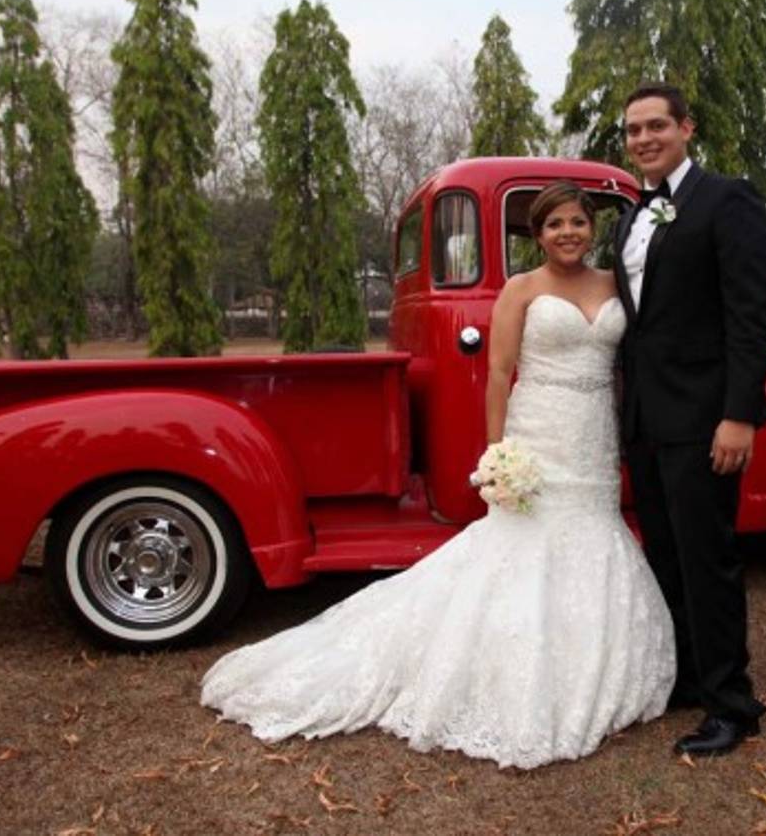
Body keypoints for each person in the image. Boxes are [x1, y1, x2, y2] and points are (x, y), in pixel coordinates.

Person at [200, 181, 676, 769]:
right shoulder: (522, 289)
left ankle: (594, 659)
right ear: (537, 234)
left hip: (593, 434)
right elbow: (499, 373)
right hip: (539, 430)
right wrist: (499, 453)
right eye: (554, 224)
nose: (568, 233)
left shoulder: (613, 285)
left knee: (591, 530)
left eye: (577, 222)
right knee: (524, 542)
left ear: (591, 227)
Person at [611, 83, 766, 757]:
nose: (644, 139)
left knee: (709, 560)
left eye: (657, 125)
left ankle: (732, 706)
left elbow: (750, 316)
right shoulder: (631, 216)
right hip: (647, 420)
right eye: (633, 130)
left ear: (687, 127)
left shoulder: (726, 200)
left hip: (706, 418)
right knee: (668, 557)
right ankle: (687, 679)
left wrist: (739, 415)